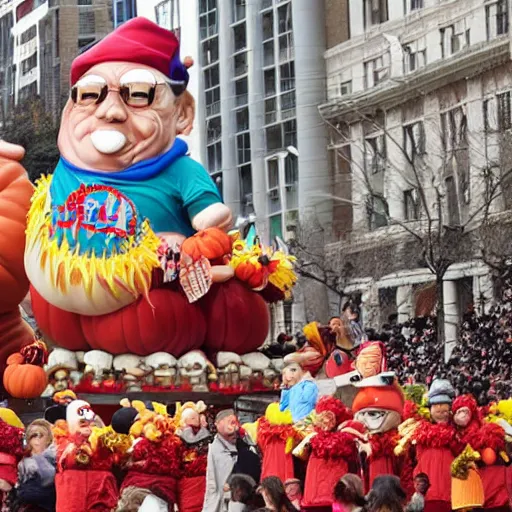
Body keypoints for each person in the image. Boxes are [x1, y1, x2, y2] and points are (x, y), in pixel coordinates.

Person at [15, 420, 56, 512]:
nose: (35, 439)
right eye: (32, 435)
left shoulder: (56, 460)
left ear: (49, 439)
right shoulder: (22, 463)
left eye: (39, 435)